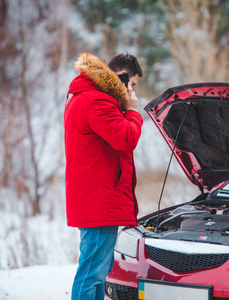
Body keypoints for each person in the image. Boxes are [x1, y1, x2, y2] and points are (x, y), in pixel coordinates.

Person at [64, 52, 143, 300]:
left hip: (97, 198)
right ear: (122, 78)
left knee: (98, 272)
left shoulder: (86, 98)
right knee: (92, 273)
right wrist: (132, 111)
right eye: (133, 85)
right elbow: (126, 138)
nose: (132, 92)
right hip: (99, 201)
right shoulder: (97, 101)